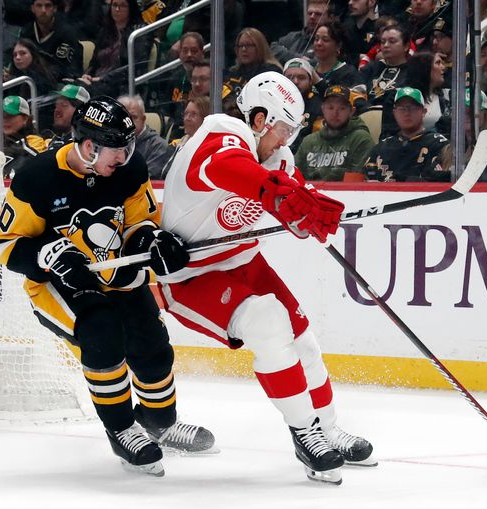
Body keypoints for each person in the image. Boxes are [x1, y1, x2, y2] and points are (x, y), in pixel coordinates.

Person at [157, 72, 375, 485]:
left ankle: (329, 429)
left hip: (244, 261)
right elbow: (233, 169)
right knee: (267, 323)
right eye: (283, 130)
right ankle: (305, 434)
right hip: (191, 274)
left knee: (303, 339)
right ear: (259, 119)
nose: (287, 141)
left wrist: (308, 215)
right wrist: (279, 194)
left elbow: (289, 207)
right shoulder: (219, 136)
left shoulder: (276, 158)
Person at [0, 96, 216, 476]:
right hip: (58, 286)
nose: (126, 156)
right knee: (103, 333)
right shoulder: (38, 176)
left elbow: (139, 223)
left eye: (130, 147)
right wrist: (50, 255)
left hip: (113, 277)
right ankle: (122, 427)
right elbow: (5, 245)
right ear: (90, 146)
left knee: (151, 342)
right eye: (118, 148)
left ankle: (160, 423)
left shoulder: (129, 169)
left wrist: (153, 244)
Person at [364, 86, 450, 181]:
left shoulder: (439, 145)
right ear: (394, 112)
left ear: (423, 111)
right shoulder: (381, 147)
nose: (407, 113)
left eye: (412, 107)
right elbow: (366, 177)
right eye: (402, 108)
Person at [295, 84, 375, 181]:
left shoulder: (361, 139)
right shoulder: (309, 141)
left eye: (342, 108)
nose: (335, 113)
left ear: (351, 111)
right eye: (330, 108)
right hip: (310, 193)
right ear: (323, 109)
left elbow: (355, 183)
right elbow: (295, 177)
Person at [80, 0, 151, 97]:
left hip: (121, 85)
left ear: (131, 8)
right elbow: (94, 62)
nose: (117, 9)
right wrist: (88, 75)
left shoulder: (139, 33)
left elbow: (135, 66)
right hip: (97, 81)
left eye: (122, 6)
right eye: (115, 5)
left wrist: (104, 79)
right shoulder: (105, 30)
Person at [19, 0, 84, 80]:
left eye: (48, 6)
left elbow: (70, 69)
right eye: (39, 6)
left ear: (54, 9)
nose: (43, 10)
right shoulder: (26, 31)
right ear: (33, 9)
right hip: (31, 80)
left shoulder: (67, 33)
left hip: (61, 82)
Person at [118, 94, 174, 179]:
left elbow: (145, 180)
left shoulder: (158, 146)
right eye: (123, 117)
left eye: (133, 117)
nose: (128, 122)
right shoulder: (109, 141)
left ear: (143, 119)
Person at [0, 95, 48, 176]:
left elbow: (39, 164)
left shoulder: (35, 141)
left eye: (10, 116)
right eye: (3, 116)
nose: (5, 120)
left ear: (25, 119)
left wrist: (18, 148)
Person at [271, 0, 331, 64]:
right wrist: (297, 58)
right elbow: (273, 48)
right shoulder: (294, 36)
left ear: (330, 18)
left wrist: (285, 54)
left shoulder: (330, 41)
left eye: (318, 14)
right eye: (309, 13)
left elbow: (316, 63)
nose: (312, 17)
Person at [283, 58, 323, 153]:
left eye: (301, 78)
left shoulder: (318, 105)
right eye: (289, 77)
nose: (295, 81)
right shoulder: (272, 101)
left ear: (310, 81)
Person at [44, 83, 91, 149]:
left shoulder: (83, 146)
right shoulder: (55, 140)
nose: (57, 110)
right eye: (56, 106)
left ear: (81, 111)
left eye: (64, 105)